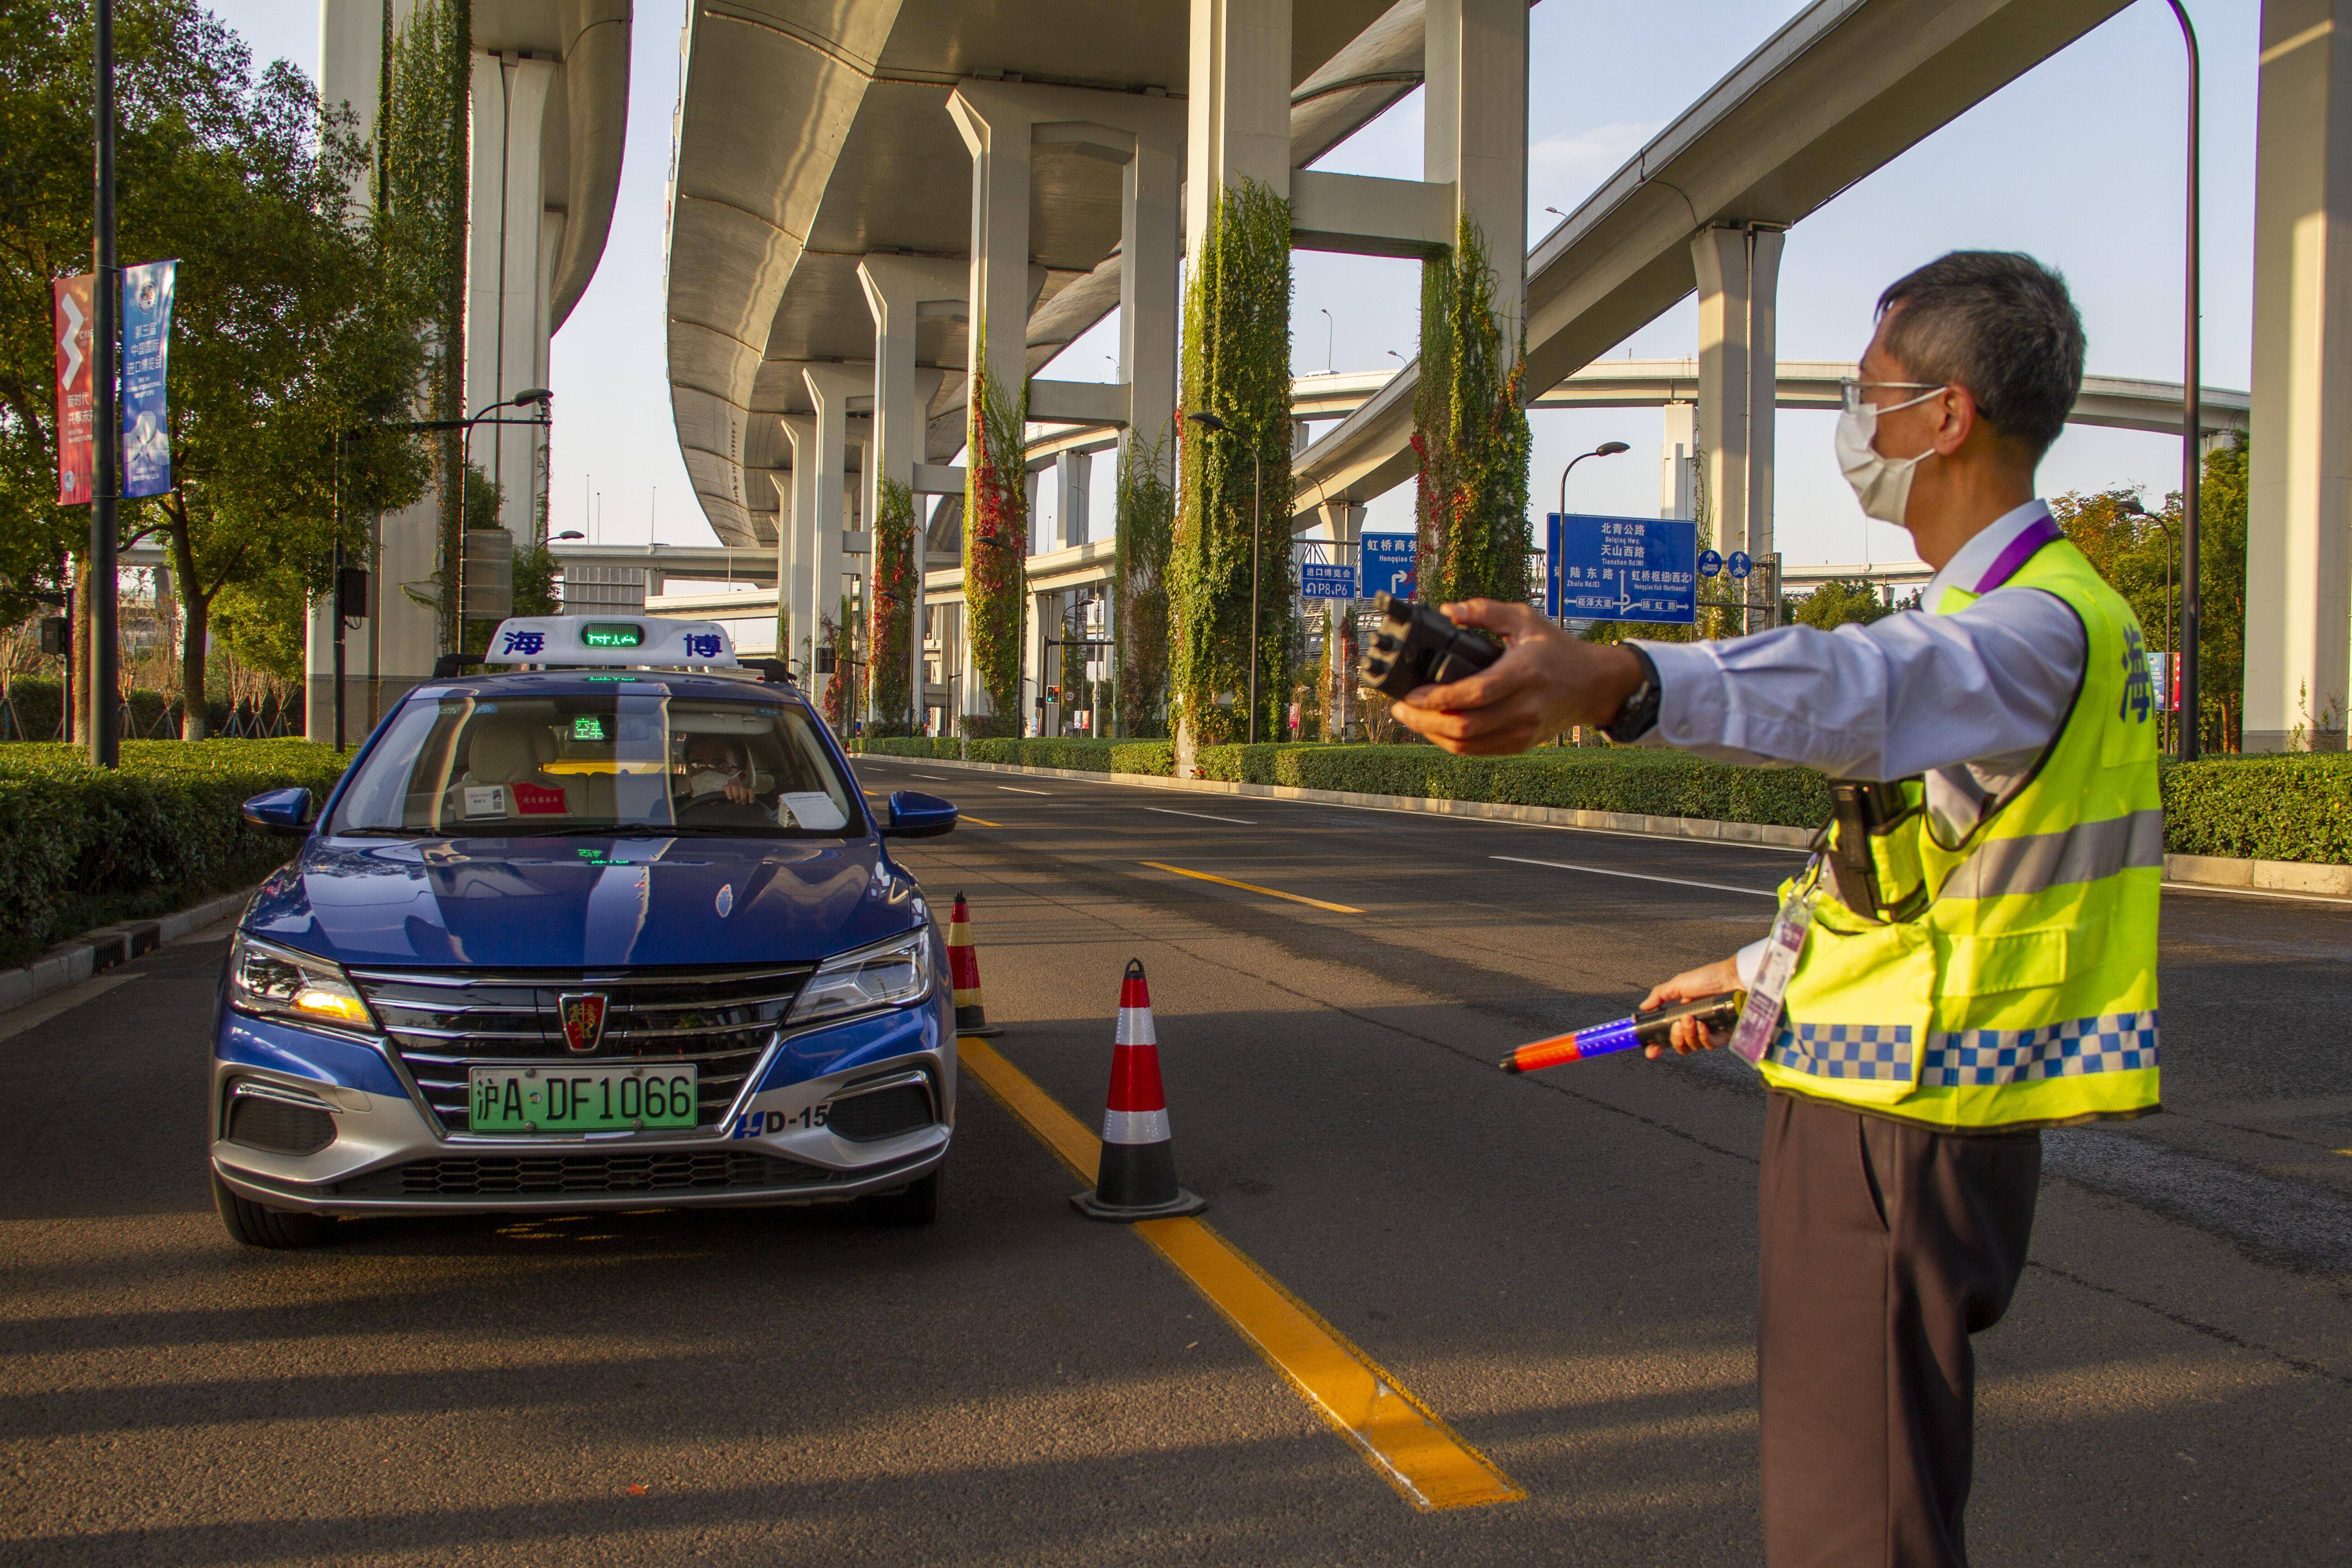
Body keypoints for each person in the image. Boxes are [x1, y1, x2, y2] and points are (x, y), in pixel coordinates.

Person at [1393, 251, 2160, 1568]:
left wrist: (1625, 682)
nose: (1853, 427)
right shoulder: (2023, 616)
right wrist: (1758, 973)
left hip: (1901, 1132)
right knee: (1864, 1504)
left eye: (1871, 394)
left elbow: (1853, 687)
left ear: (1949, 417)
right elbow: (1916, 887)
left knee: (1852, 1528)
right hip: (1909, 1113)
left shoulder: (2029, 627)